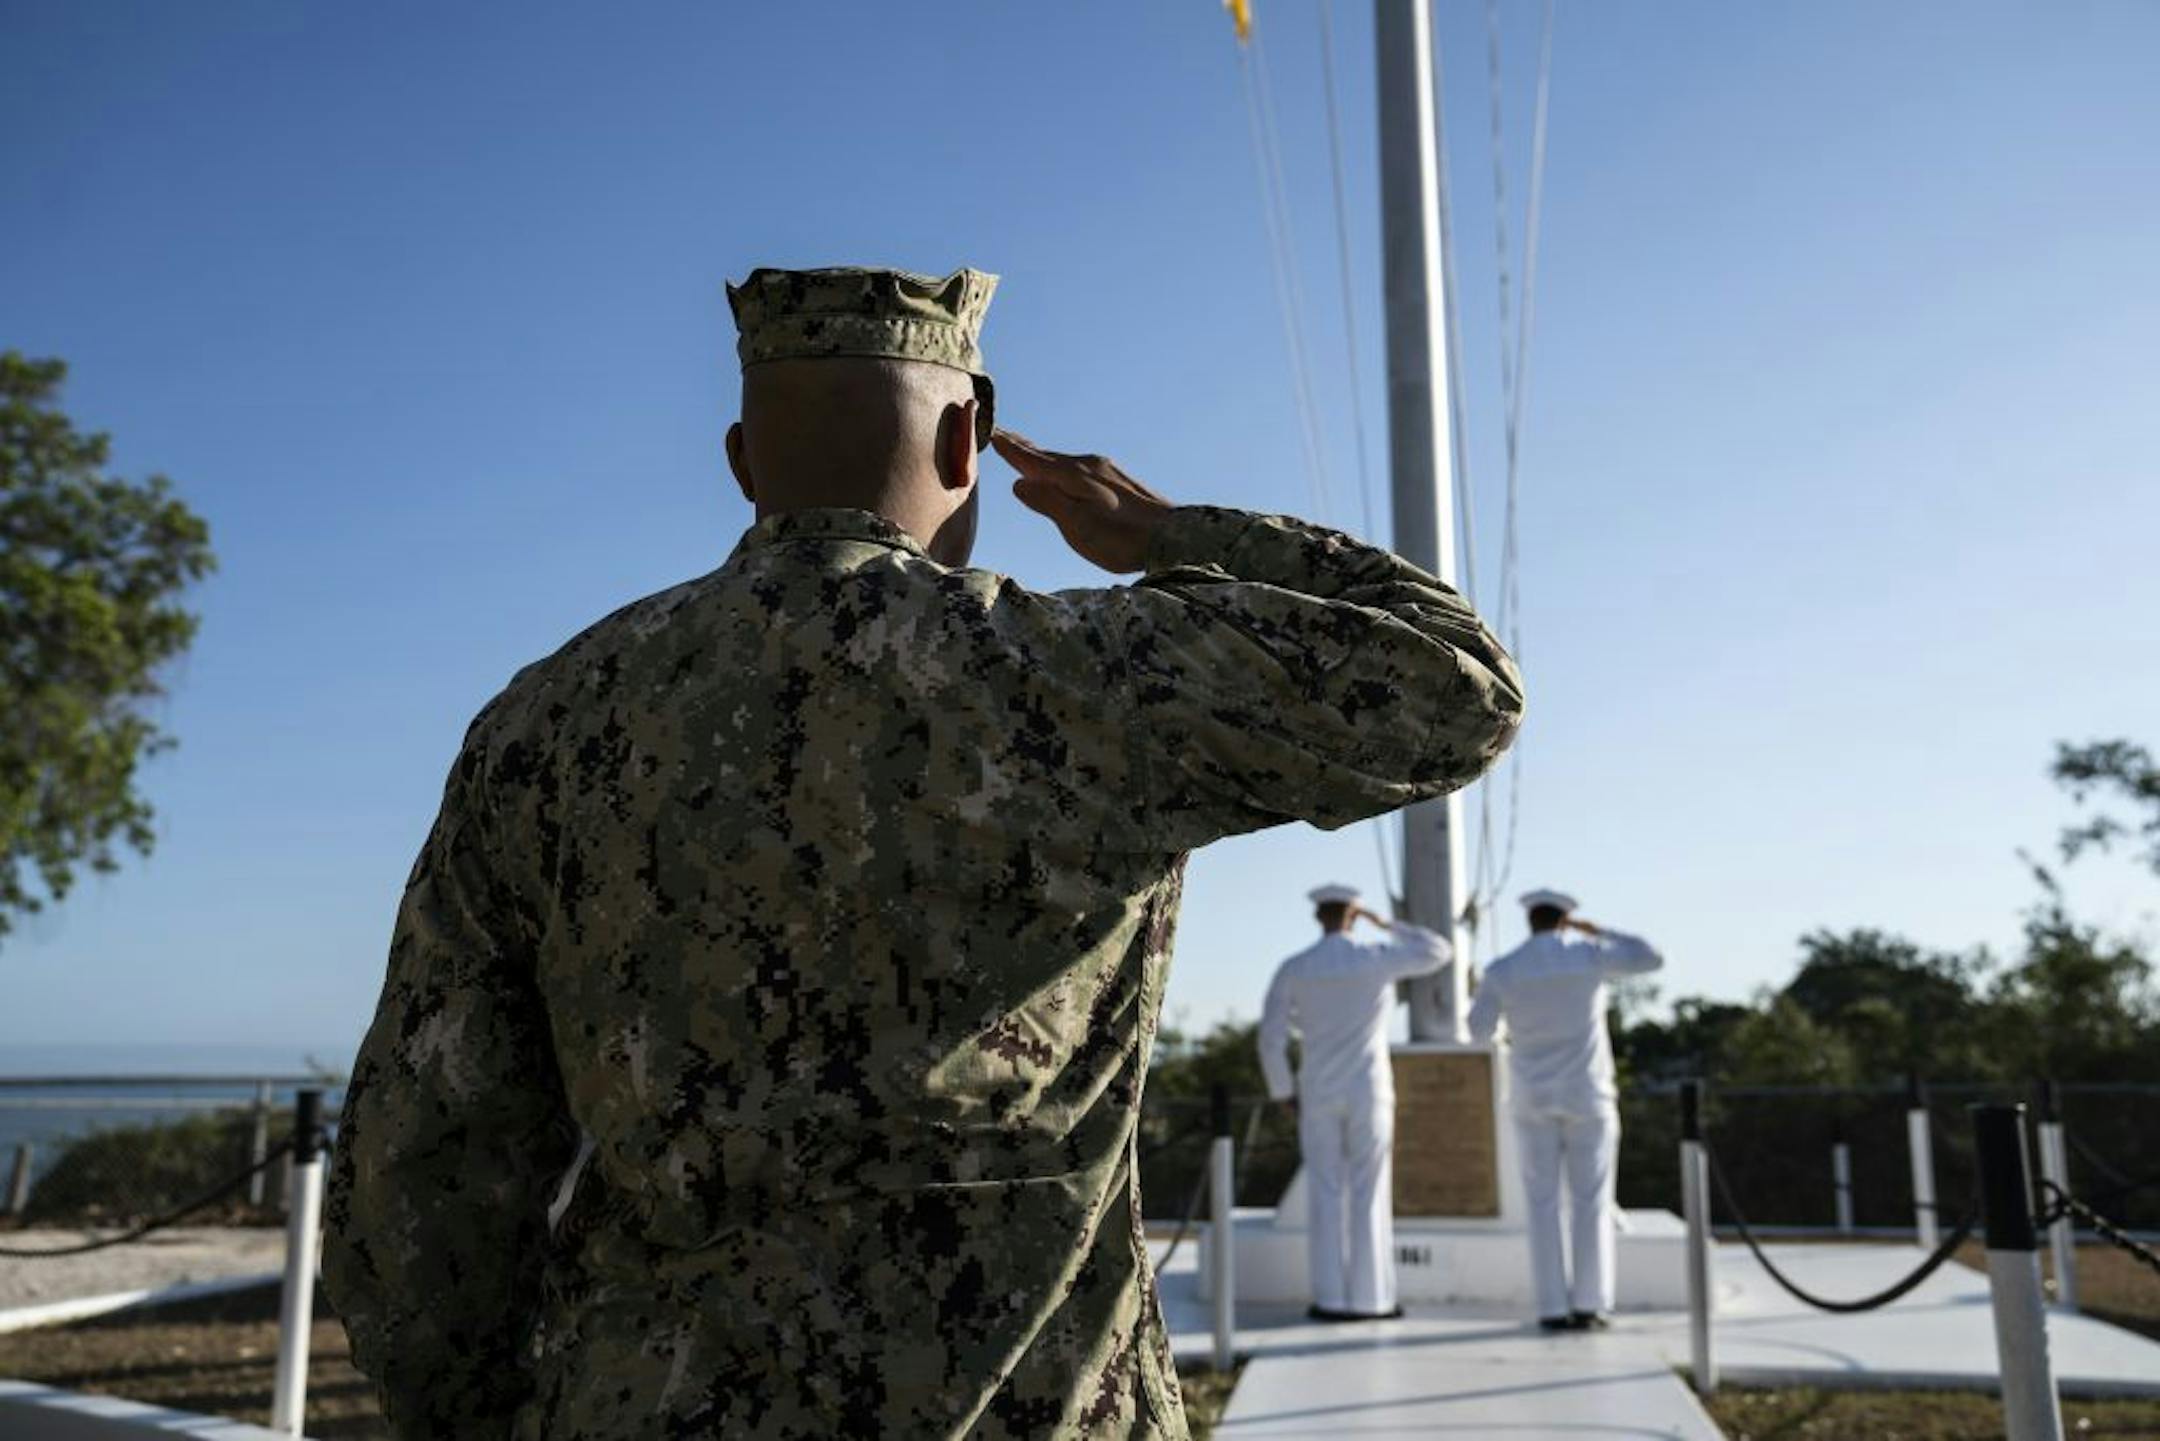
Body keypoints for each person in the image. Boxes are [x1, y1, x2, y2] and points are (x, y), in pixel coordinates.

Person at [323, 264, 1524, 1440]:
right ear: (969, 444)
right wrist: (1170, 530)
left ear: (743, 464)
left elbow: (421, 1156)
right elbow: (1457, 684)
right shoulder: (1086, 678)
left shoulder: (548, 721)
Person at [1468, 888, 1662, 1332]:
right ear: (1566, 919)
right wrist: (1596, 930)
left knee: (1541, 1204)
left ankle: (1552, 1307)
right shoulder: (1588, 957)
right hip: (1586, 1094)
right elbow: (1650, 957)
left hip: (1532, 1097)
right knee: (1590, 1201)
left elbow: (1479, 1032)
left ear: (1529, 920)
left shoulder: (1503, 969)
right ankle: (1591, 1304)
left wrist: (1514, 1043)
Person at [1258, 884, 1450, 1321]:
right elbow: (1438, 951)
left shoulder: (1296, 967)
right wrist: (1386, 923)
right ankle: (1373, 1299)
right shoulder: (1375, 957)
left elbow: (1270, 1037)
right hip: (1369, 1090)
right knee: (1369, 1191)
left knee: (1325, 1193)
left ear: (1317, 917)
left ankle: (1331, 1299)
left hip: (1318, 1093)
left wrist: (1283, 1091)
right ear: (1352, 915)